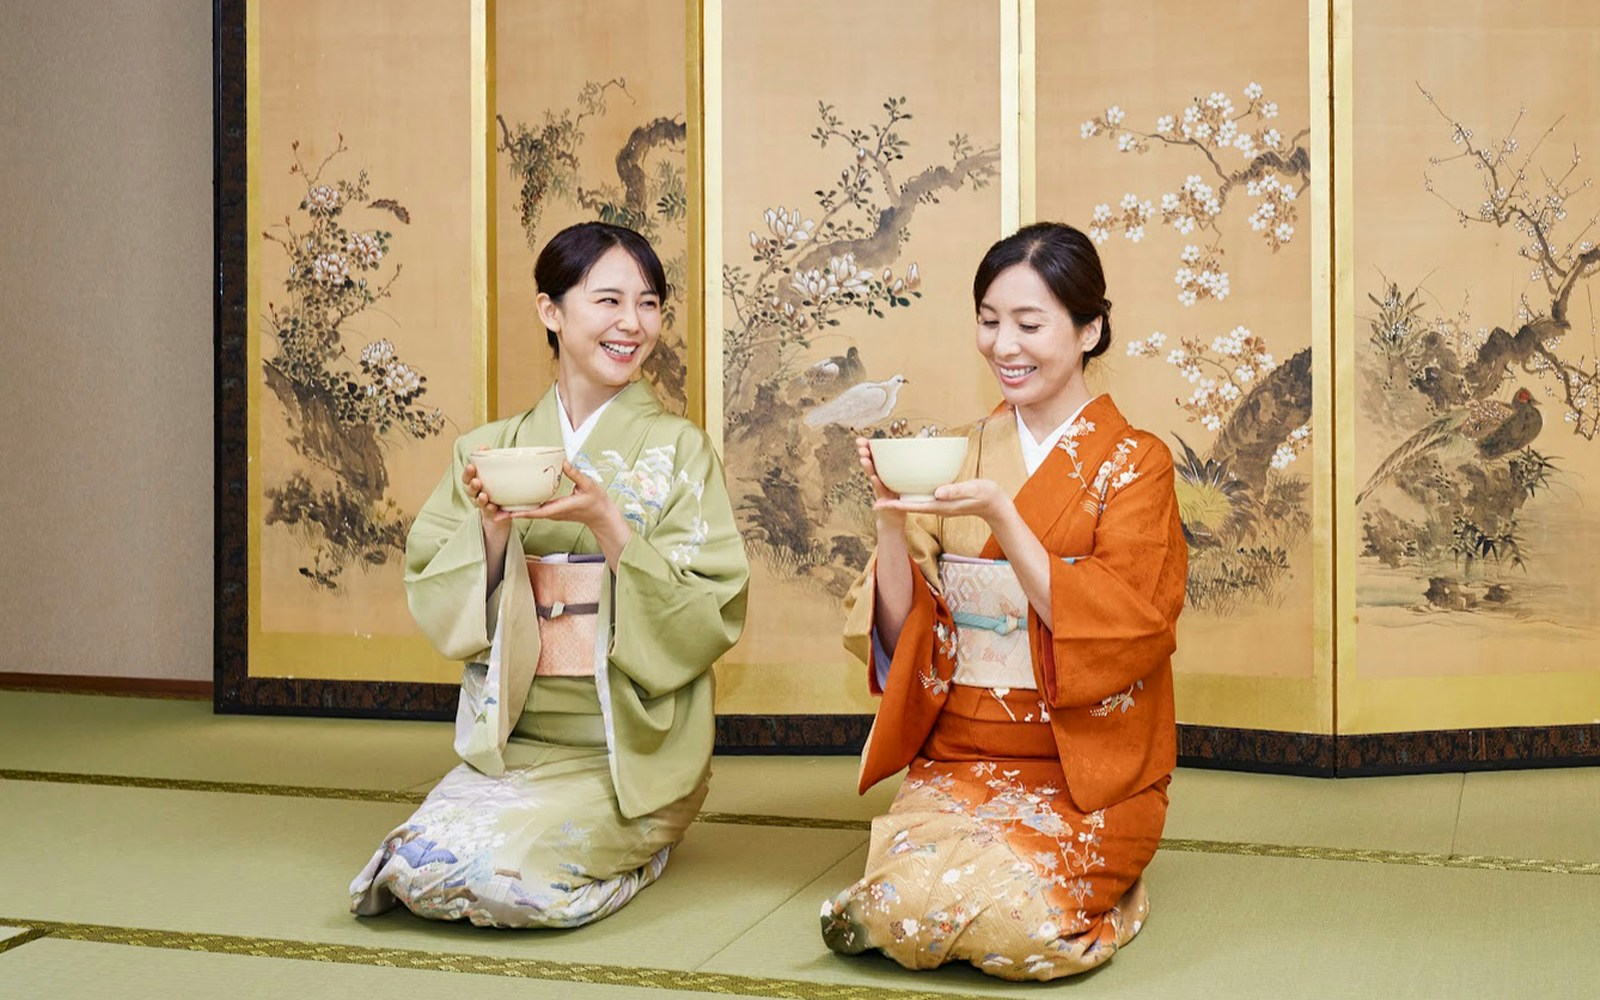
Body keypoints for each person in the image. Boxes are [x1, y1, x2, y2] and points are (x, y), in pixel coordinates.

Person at [350, 221, 749, 928]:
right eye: (609, 301)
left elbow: (708, 615)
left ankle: (642, 851)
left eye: (650, 303)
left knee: (510, 885)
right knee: (410, 871)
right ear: (550, 311)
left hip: (629, 754)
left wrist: (610, 525)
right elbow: (438, 601)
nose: (633, 323)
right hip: (515, 744)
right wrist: (494, 534)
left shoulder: (681, 453)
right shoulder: (486, 450)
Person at [819, 222, 1186, 980]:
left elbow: (1129, 631)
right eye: (989, 321)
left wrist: (1003, 518)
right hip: (963, 752)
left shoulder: (1135, 464)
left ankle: (1107, 891)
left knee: (1021, 934)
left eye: (1029, 323)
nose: (1003, 345)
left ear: (1089, 329)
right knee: (895, 911)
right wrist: (891, 519)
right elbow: (899, 630)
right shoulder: (956, 450)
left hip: (1085, 768)